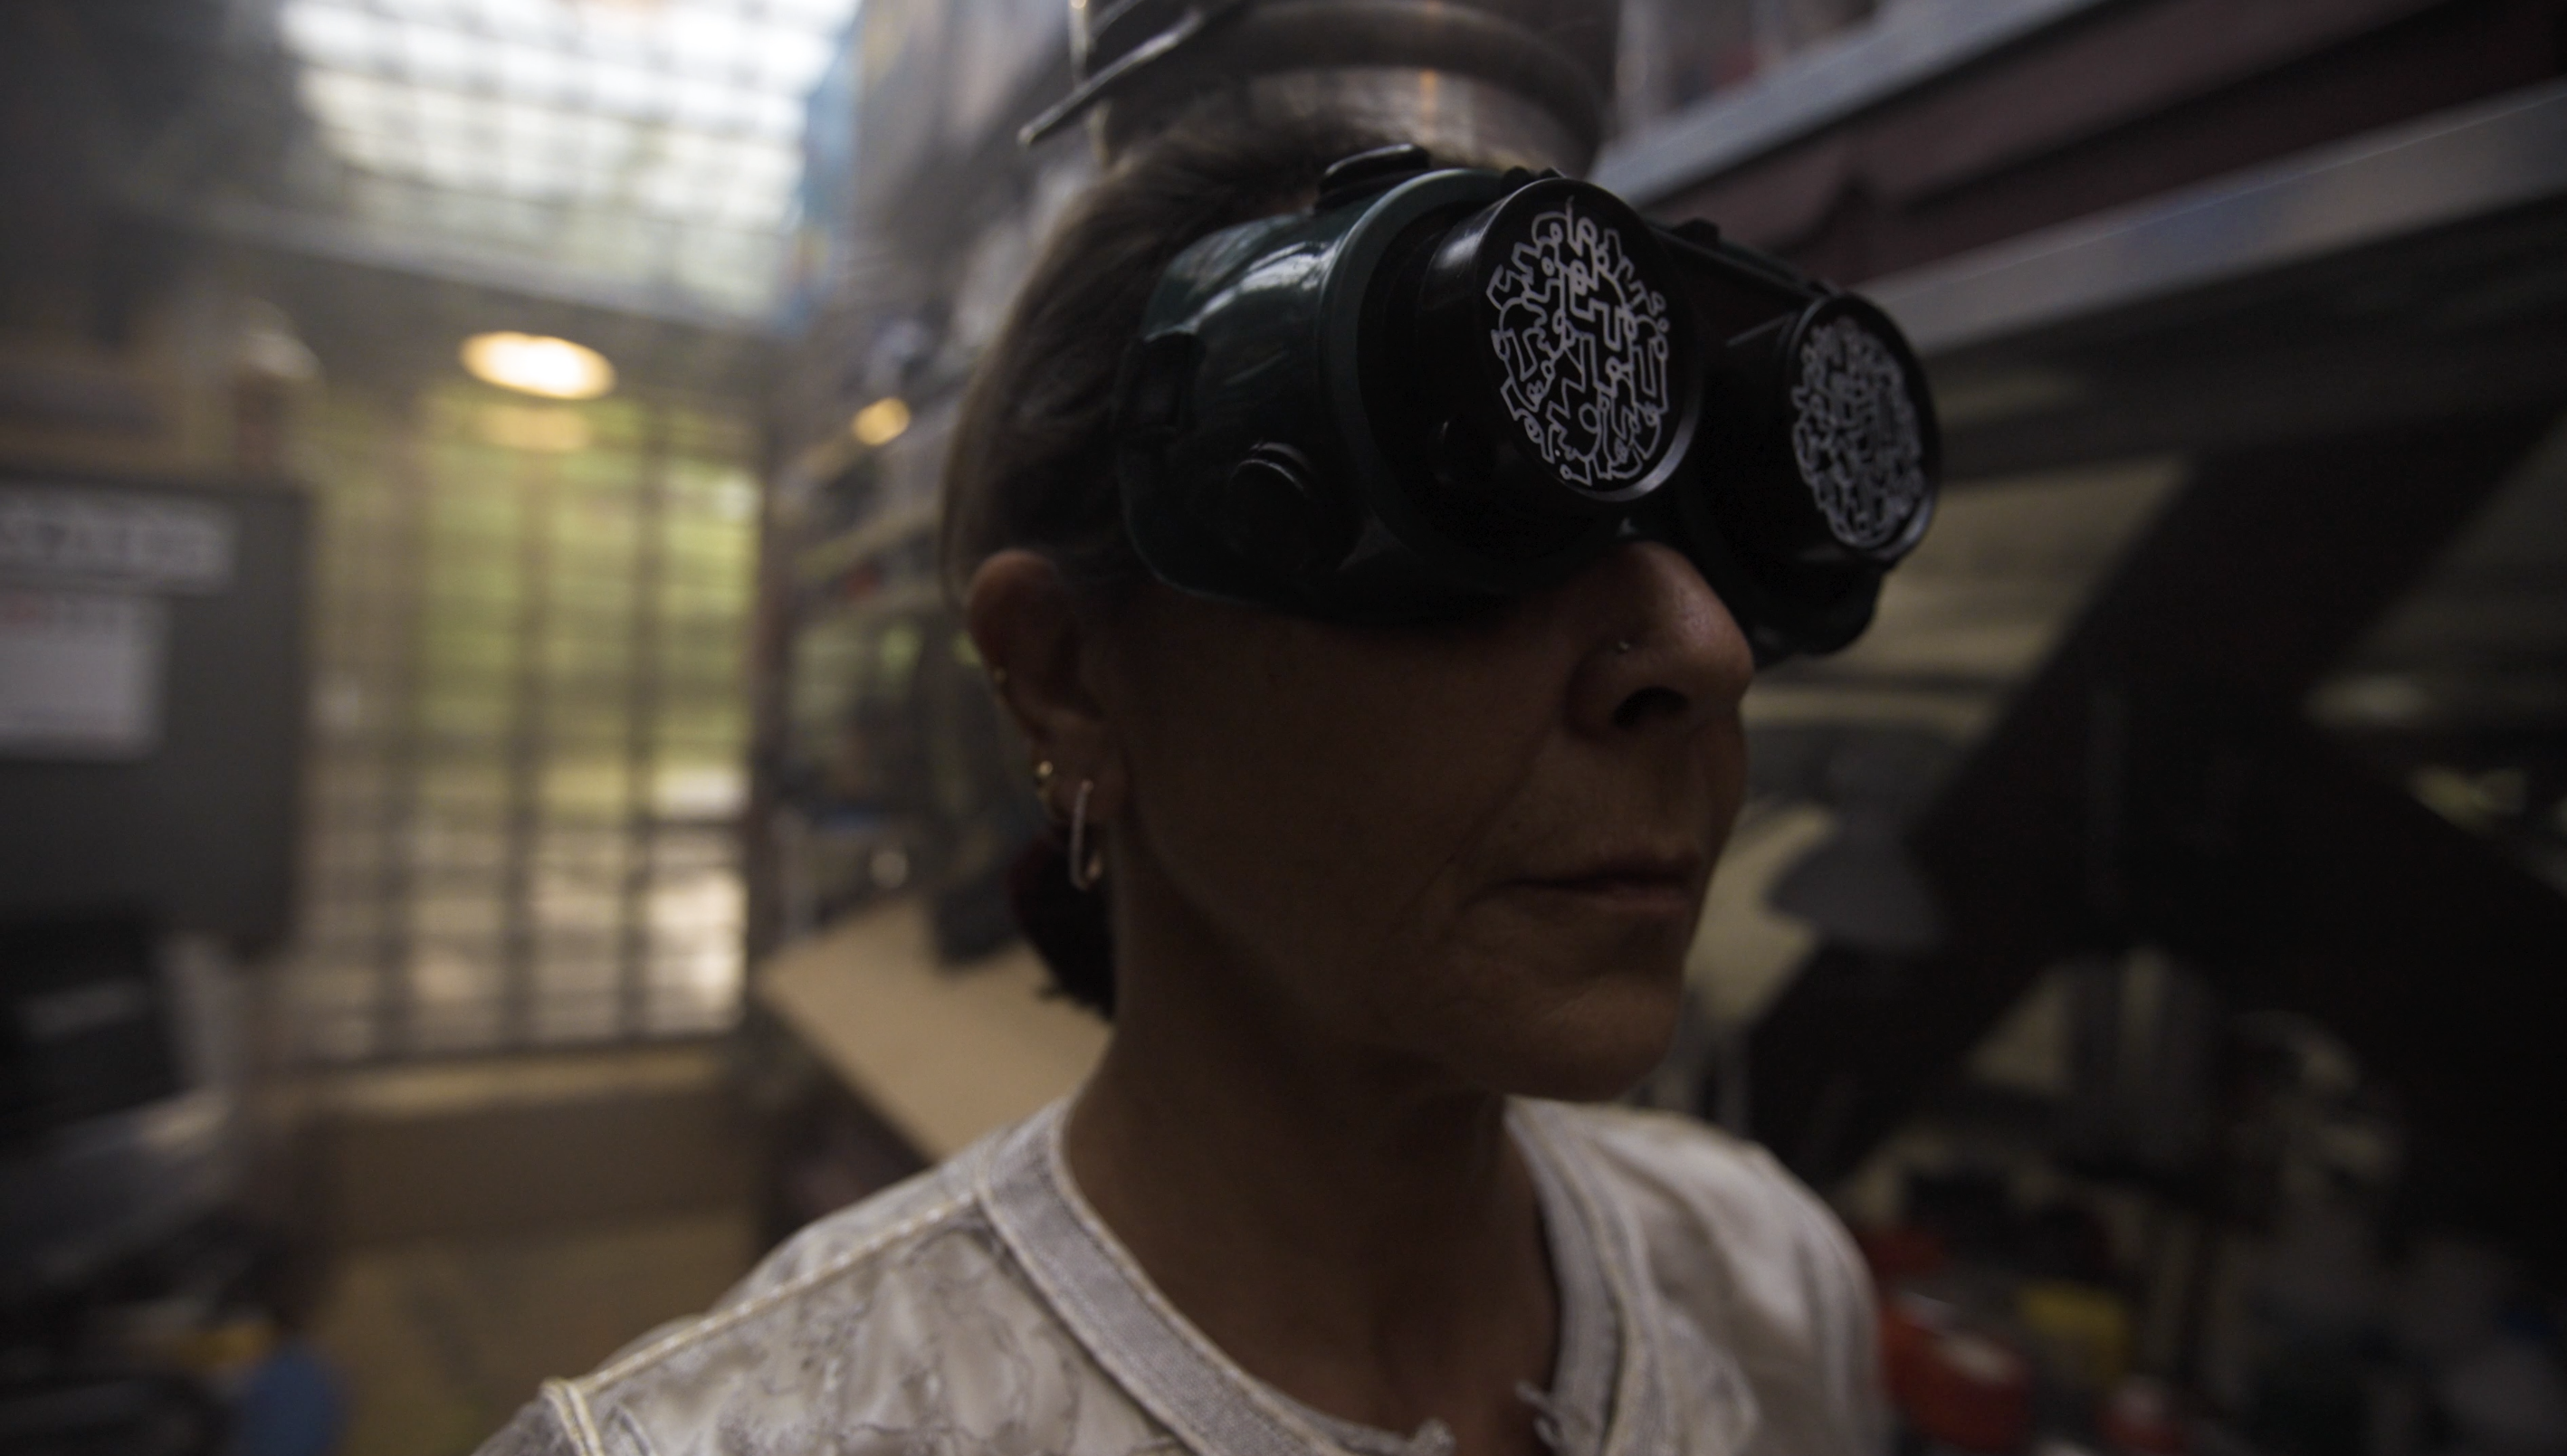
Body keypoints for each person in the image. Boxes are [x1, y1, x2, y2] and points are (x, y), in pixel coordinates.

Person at [476, 104, 1884, 1456]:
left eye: (1708, 549)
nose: (1703, 653)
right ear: (1072, 680)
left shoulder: (1769, 1292)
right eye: (1483, 519)